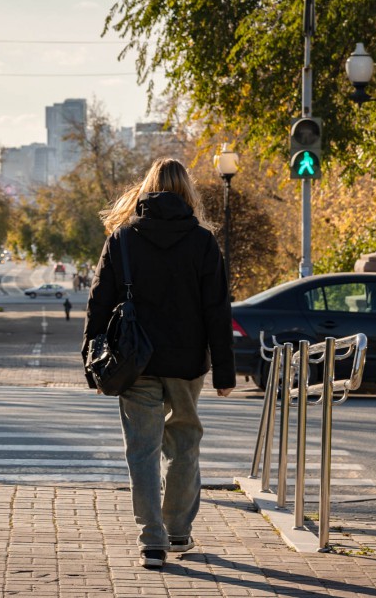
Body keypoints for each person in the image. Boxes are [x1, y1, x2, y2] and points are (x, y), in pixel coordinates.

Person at [82, 158, 235, 570]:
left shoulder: (124, 239)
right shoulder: (203, 242)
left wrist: (91, 364)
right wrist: (224, 372)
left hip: (135, 361)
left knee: (143, 451)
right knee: (184, 443)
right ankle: (178, 530)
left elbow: (98, 304)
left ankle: (152, 541)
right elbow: (217, 311)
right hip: (187, 363)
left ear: (147, 188)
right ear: (188, 191)